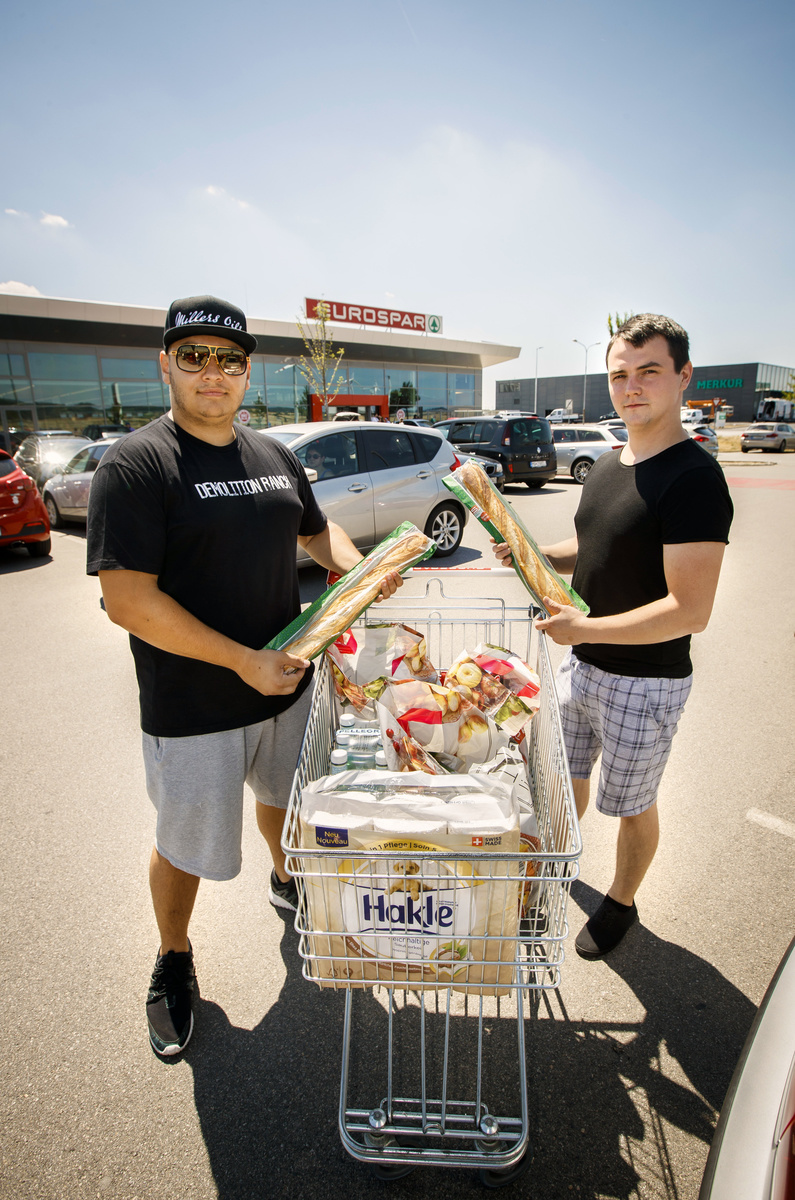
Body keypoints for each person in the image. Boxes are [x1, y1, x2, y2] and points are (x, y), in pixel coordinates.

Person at [86, 295, 402, 1057]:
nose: (212, 373)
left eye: (228, 359)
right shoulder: (135, 464)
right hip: (194, 703)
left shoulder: (272, 454)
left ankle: (285, 881)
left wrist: (356, 571)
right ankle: (173, 956)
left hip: (286, 681)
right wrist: (240, 662)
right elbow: (128, 600)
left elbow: (313, 526)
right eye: (193, 356)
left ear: (247, 371)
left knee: (282, 803)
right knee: (184, 843)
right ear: (165, 364)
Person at [494, 314, 733, 959]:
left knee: (630, 804)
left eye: (649, 372)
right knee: (559, 782)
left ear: (683, 377)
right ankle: (555, 872)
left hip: (645, 684)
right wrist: (529, 552)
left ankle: (622, 902)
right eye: (620, 374)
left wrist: (582, 628)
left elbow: (690, 609)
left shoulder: (694, 478)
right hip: (583, 670)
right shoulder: (606, 464)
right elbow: (594, 548)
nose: (632, 386)